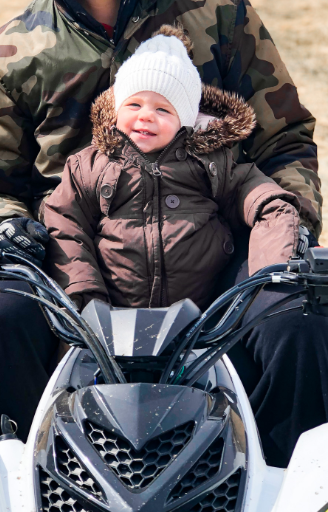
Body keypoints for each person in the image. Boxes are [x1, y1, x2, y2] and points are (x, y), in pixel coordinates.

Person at [0, 0, 328, 466]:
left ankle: (304, 498)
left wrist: (286, 232)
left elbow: (287, 146)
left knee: (294, 316)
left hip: (219, 262)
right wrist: (8, 232)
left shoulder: (220, 13)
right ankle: (0, 495)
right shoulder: (13, 51)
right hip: (73, 265)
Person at [42, 25, 303, 310]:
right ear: (116, 110)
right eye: (133, 104)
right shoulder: (89, 167)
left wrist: (270, 277)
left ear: (187, 120)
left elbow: (267, 201)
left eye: (163, 109)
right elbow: (65, 224)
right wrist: (85, 295)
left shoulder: (212, 164)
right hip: (108, 315)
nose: (145, 116)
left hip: (205, 318)